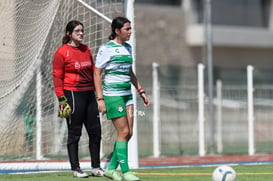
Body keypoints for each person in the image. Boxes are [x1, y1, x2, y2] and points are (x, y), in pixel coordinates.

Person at [94, 17, 150, 181]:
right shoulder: (106, 48)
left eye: (131, 28)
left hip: (127, 95)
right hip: (112, 95)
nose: (130, 32)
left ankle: (111, 169)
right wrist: (100, 99)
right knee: (123, 132)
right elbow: (97, 73)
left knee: (129, 133)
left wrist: (141, 91)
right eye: (127, 29)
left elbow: (129, 72)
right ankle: (125, 172)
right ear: (117, 31)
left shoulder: (128, 48)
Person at [52, 20, 104, 178]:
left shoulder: (86, 49)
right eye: (77, 31)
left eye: (82, 30)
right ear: (69, 34)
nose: (81, 33)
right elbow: (57, 77)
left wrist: (99, 96)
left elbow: (93, 73)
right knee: (75, 133)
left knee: (96, 132)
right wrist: (61, 99)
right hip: (72, 95)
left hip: (89, 94)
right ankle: (76, 169)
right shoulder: (62, 52)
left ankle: (96, 167)